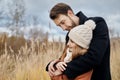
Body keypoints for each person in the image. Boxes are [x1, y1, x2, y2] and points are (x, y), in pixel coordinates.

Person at [46, 3, 111, 80]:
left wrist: (63, 70)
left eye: (63, 22)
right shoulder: (69, 34)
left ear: (70, 13)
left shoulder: (97, 24)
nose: (63, 28)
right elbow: (67, 57)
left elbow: (94, 57)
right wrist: (54, 64)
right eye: (59, 25)